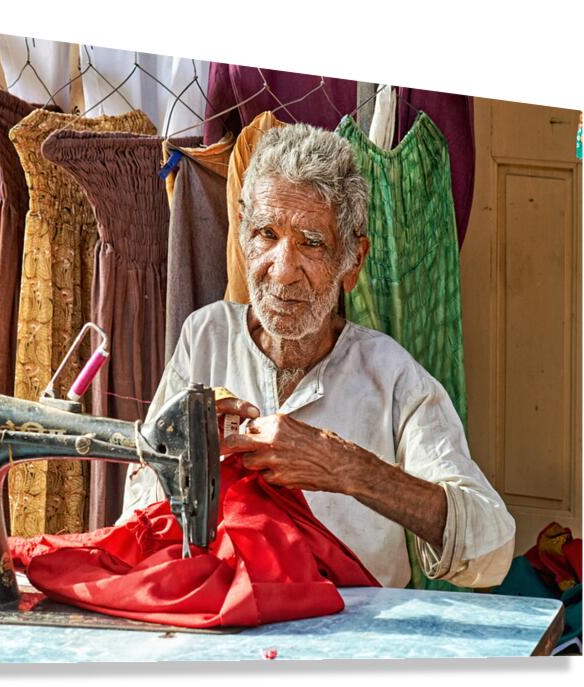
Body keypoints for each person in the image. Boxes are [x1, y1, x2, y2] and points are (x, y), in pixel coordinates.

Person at [120, 123, 515, 588]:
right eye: (266, 234)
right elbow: (138, 509)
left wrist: (347, 467)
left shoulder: (391, 377)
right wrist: (191, 459)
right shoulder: (206, 336)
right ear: (243, 239)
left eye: (311, 242)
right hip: (230, 622)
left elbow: (491, 552)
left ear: (353, 261)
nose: (284, 272)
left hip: (354, 636)